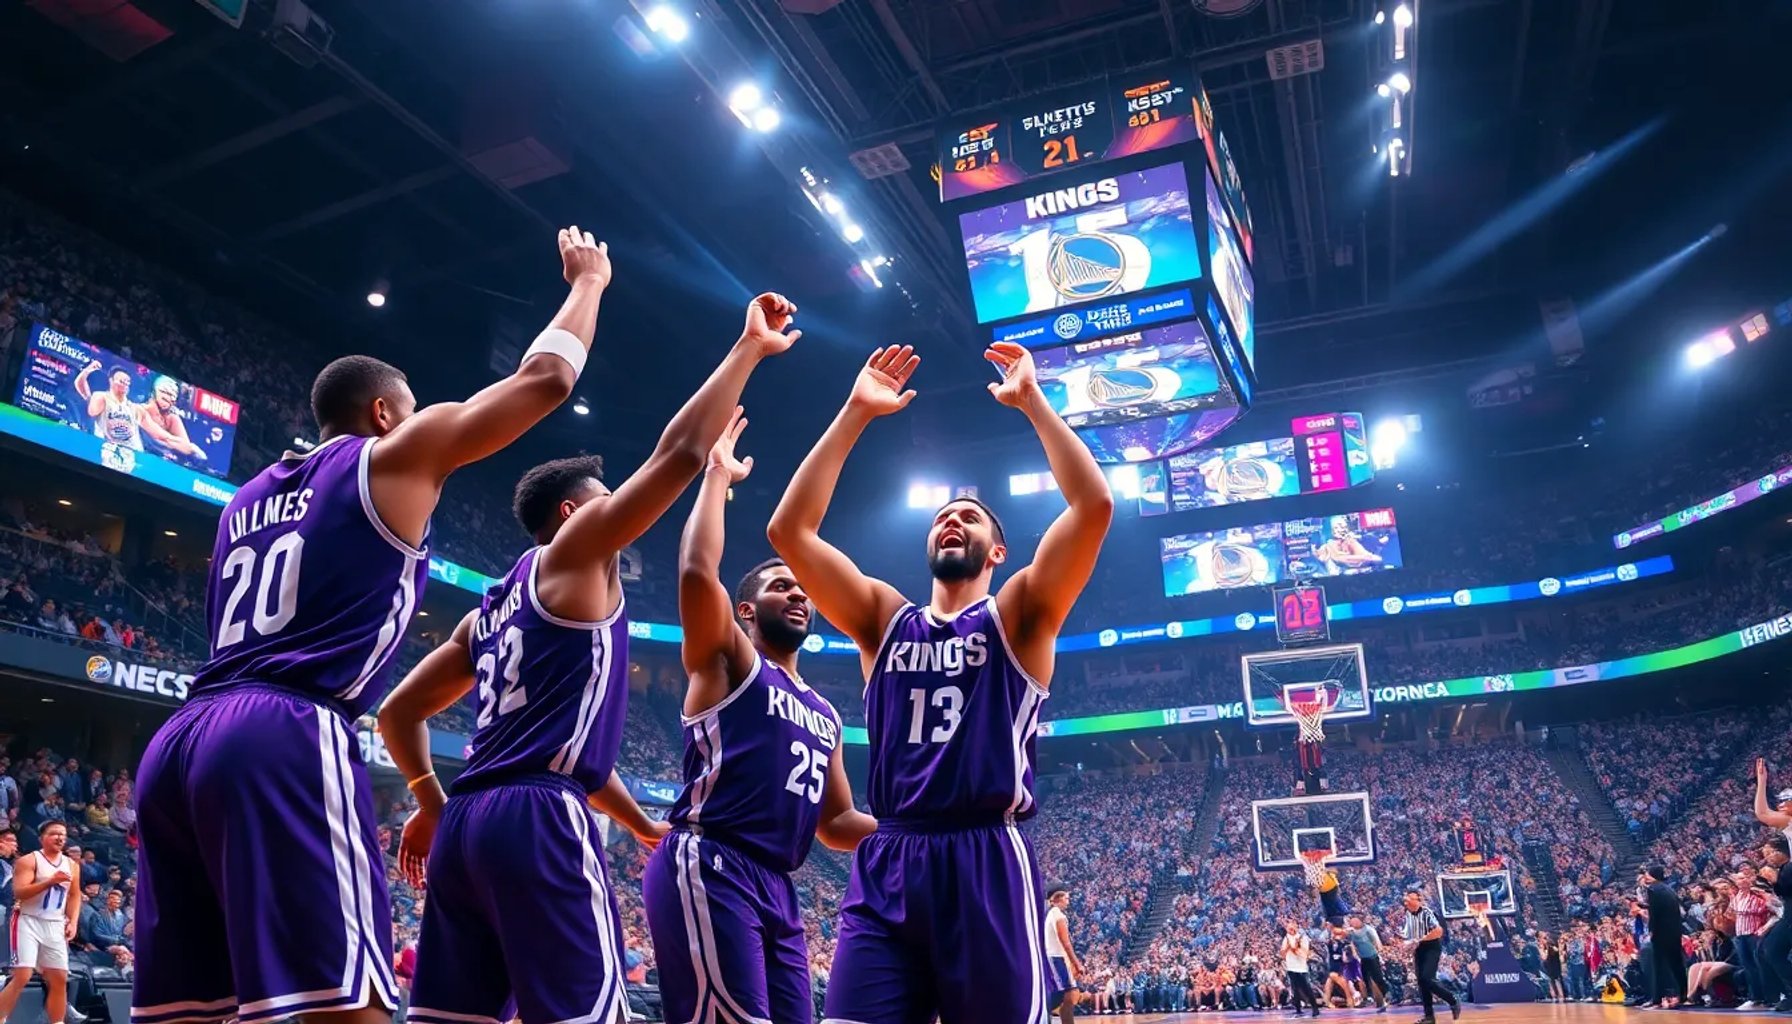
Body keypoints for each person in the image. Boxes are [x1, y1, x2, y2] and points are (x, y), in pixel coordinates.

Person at [131, 225, 613, 1024]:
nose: (424, 420)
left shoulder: (242, 500)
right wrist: (588, 283)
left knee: (194, 1011)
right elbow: (546, 381)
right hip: (281, 729)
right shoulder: (390, 454)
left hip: (179, 741)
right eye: (415, 409)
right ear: (386, 411)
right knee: (339, 1004)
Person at [380, 292, 806, 1024]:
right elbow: (676, 455)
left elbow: (399, 711)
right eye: (609, 502)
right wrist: (747, 352)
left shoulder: (488, 610)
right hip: (540, 816)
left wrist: (430, 803)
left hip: (470, 823)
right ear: (575, 515)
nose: (622, 514)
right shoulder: (575, 553)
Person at [767, 342, 1113, 1024]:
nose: (951, 519)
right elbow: (789, 530)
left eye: (969, 516)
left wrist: (1033, 403)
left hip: (985, 852)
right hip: (890, 854)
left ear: (999, 551)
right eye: (941, 517)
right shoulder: (882, 618)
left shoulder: (1018, 614)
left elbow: (1094, 505)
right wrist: (856, 413)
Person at [641, 408, 876, 1024]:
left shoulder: (826, 711)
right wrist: (716, 476)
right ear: (745, 610)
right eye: (781, 586)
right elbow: (697, 570)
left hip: (778, 883)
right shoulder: (730, 661)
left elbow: (838, 821)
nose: (799, 593)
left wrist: (912, 829)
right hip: (712, 860)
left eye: (804, 589)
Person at [0, 820, 78, 1024]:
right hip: (27, 920)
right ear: (41, 838)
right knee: (22, 975)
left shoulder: (72, 865)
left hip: (55, 923)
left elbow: (74, 896)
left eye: (63, 834)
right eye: (54, 833)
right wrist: (50, 881)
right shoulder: (29, 860)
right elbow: (19, 892)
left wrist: (74, 921)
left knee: (59, 979)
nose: (60, 837)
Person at [1399, 890, 1460, 1024]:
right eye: (1405, 900)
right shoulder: (1408, 914)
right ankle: (1429, 1017)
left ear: (1418, 900)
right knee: (1421, 982)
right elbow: (1408, 933)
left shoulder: (1426, 912)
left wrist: (1420, 939)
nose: (1406, 902)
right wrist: (1407, 943)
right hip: (1419, 949)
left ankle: (1452, 999)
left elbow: (1438, 931)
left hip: (1431, 947)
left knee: (1427, 978)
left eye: (1409, 899)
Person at [1730, 865, 1776, 1009]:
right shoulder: (1736, 896)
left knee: (1759, 966)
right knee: (1748, 967)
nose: (1741, 881)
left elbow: (1768, 910)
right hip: (1740, 935)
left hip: (1754, 934)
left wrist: (1763, 928)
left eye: (1744, 878)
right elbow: (1733, 913)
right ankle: (1755, 997)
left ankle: (1768, 998)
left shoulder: (1758, 894)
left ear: (1750, 879)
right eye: (1738, 879)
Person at [1641, 865, 1687, 1008]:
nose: (1645, 877)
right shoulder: (1668, 889)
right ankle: (1683, 995)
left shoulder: (1653, 889)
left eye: (1647, 874)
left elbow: (1655, 913)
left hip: (1662, 933)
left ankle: (1659, 998)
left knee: (1659, 966)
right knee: (1676, 964)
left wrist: (1652, 930)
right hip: (1674, 932)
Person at [75, 363, 145, 450]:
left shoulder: (133, 407)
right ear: (111, 381)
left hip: (133, 452)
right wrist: (87, 370)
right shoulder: (101, 397)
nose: (125, 384)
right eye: (122, 381)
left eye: (127, 382)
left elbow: (157, 433)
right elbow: (81, 387)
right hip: (108, 449)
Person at [1043, 886, 1085, 1024]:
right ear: (1059, 898)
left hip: (1054, 958)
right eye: (1067, 898)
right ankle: (1038, 1012)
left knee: (1067, 997)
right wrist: (1077, 963)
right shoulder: (1057, 915)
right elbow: (1065, 943)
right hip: (1058, 959)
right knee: (1065, 995)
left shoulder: (1050, 914)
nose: (1069, 900)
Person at [1346, 915, 1390, 1011]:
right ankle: (1370, 997)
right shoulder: (1351, 932)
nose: (1353, 923)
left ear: (1360, 921)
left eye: (1355, 921)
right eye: (1352, 922)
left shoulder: (1368, 930)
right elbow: (1352, 943)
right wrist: (1355, 954)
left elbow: (1377, 942)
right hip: (1363, 958)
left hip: (1373, 957)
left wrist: (1380, 953)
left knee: (1377, 977)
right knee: (1365, 978)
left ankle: (1386, 993)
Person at [1282, 921, 1323, 1017]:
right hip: (1291, 966)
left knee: (1306, 988)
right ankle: (1298, 1008)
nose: (1290, 930)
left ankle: (1315, 1008)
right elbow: (1283, 953)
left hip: (1301, 967)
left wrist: (1294, 948)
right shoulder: (1286, 938)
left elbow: (1304, 953)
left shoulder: (1303, 938)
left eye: (1292, 928)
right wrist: (1288, 947)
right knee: (1295, 988)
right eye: (1288, 928)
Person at [1541, 928, 1564, 1002]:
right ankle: (1554, 995)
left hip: (1555, 963)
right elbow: (1545, 956)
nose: (1547, 939)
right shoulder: (1545, 945)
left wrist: (1550, 947)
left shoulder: (1554, 944)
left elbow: (1557, 951)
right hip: (1549, 964)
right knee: (1551, 980)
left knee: (1557, 979)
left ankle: (1561, 995)